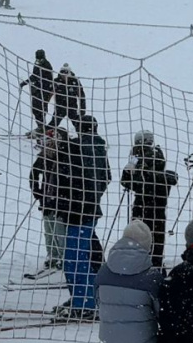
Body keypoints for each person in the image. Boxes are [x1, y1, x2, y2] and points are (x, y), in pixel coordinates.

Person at [51, 117, 112, 318]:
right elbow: (107, 177)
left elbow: (63, 176)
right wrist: (94, 196)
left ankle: (85, 303)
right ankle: (85, 297)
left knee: (74, 259)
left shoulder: (76, 148)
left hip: (78, 211)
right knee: (83, 255)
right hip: (88, 209)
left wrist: (65, 200)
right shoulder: (99, 148)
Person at [120, 132, 177, 268]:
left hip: (142, 207)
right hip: (157, 209)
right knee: (156, 239)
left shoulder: (141, 160)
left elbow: (132, 183)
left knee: (138, 237)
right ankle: (155, 265)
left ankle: (140, 265)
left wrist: (128, 173)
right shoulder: (158, 162)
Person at [29, 127, 70, 274]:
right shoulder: (45, 156)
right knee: (49, 229)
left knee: (61, 230)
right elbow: (34, 172)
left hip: (63, 199)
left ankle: (64, 257)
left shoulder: (67, 154)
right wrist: (36, 190)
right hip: (47, 198)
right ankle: (52, 256)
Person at [49, 63, 87, 130]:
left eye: (66, 72)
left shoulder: (75, 82)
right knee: (54, 123)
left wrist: (82, 109)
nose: (64, 75)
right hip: (60, 107)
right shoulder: (56, 82)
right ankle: (46, 133)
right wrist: (44, 104)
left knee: (78, 124)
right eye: (62, 72)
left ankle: (83, 134)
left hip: (72, 107)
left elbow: (81, 96)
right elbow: (49, 93)